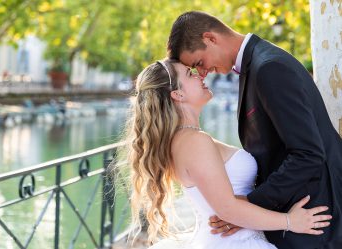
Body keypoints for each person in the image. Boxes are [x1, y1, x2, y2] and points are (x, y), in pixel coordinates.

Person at [167, 11, 342, 249]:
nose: (204, 72)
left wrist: (249, 205)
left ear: (210, 38)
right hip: (294, 216)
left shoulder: (269, 68)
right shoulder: (257, 65)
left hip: (314, 218)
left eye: (199, 63)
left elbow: (308, 153)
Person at [124, 58, 331, 249]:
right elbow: (228, 210)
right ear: (178, 94)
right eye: (189, 73)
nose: (200, 75)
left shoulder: (185, 139)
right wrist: (289, 221)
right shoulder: (194, 142)